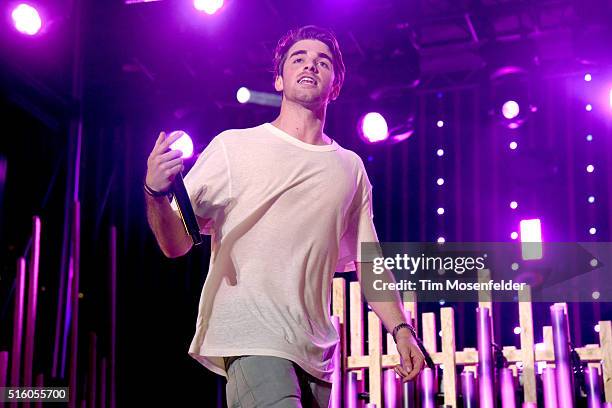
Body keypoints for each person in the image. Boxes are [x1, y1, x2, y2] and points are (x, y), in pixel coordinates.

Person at [144, 25, 424, 408]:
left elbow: (368, 261)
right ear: (279, 79)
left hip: (316, 352)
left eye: (322, 62)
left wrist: (402, 330)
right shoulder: (234, 147)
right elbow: (174, 244)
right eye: (299, 59)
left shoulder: (350, 168)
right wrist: (156, 193)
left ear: (335, 86)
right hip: (252, 335)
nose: (310, 65)